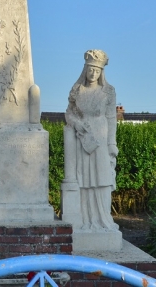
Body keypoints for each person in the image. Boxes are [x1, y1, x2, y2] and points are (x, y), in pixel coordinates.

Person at [64, 49, 118, 231]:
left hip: (101, 137)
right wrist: (77, 124)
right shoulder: (77, 90)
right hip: (83, 136)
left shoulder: (108, 91)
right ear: (85, 69)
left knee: (102, 177)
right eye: (90, 69)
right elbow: (69, 113)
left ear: (102, 72)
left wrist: (112, 143)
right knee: (84, 179)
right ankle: (86, 220)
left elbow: (112, 118)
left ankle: (103, 219)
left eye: (97, 70)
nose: (93, 73)